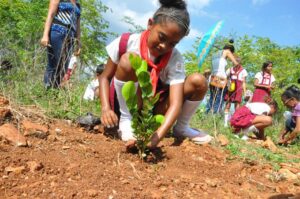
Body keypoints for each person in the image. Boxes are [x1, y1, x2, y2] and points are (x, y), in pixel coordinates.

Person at [99, 0, 211, 149]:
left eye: (172, 44)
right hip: (128, 105)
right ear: (150, 24)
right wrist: (106, 108)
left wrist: (157, 137)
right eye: (162, 37)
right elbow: (104, 78)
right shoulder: (127, 42)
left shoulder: (175, 58)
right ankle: (126, 122)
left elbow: (176, 103)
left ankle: (181, 128)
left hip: (152, 112)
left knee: (199, 81)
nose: (164, 46)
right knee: (128, 60)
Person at [40, 0, 81, 89]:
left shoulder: (78, 4)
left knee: (65, 65)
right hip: (57, 31)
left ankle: (54, 91)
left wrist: (78, 42)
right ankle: (47, 88)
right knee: (56, 62)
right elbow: (50, 14)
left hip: (71, 37)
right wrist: (45, 35)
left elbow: (78, 25)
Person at [206, 39, 239, 114]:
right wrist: (234, 58)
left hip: (213, 77)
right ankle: (215, 114)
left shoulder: (214, 54)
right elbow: (236, 64)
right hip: (221, 78)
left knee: (212, 97)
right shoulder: (227, 52)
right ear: (231, 51)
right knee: (219, 97)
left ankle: (207, 113)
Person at [224, 56, 248, 127]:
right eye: (234, 61)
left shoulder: (243, 71)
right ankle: (225, 123)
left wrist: (245, 92)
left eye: (237, 61)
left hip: (238, 89)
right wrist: (227, 84)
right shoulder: (230, 69)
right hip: (230, 88)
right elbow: (226, 78)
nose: (235, 63)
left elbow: (244, 82)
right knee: (228, 104)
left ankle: (234, 122)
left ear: (240, 62)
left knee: (237, 106)